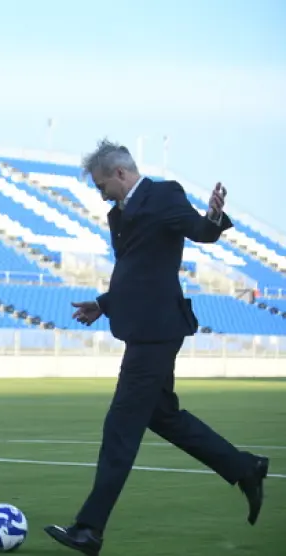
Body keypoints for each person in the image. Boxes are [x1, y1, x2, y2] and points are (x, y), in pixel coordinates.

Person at [45, 140, 269, 555]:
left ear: (120, 174)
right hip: (142, 328)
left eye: (101, 186)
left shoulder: (164, 194)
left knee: (120, 429)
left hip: (158, 330)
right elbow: (136, 269)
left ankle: (88, 529)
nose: (101, 195)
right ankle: (245, 468)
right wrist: (103, 304)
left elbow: (200, 232)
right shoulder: (119, 214)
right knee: (164, 417)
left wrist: (214, 217)